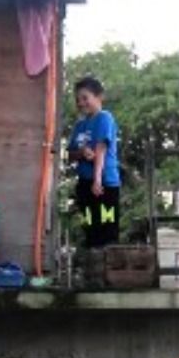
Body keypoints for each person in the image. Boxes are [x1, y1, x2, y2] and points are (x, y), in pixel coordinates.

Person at [67, 76, 121, 248]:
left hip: (104, 183)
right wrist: (81, 152)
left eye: (85, 98)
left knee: (107, 231)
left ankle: (109, 270)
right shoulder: (79, 125)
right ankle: (93, 268)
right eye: (78, 100)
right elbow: (70, 155)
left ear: (99, 97)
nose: (81, 103)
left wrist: (98, 180)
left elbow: (101, 149)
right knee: (90, 229)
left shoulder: (104, 118)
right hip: (84, 183)